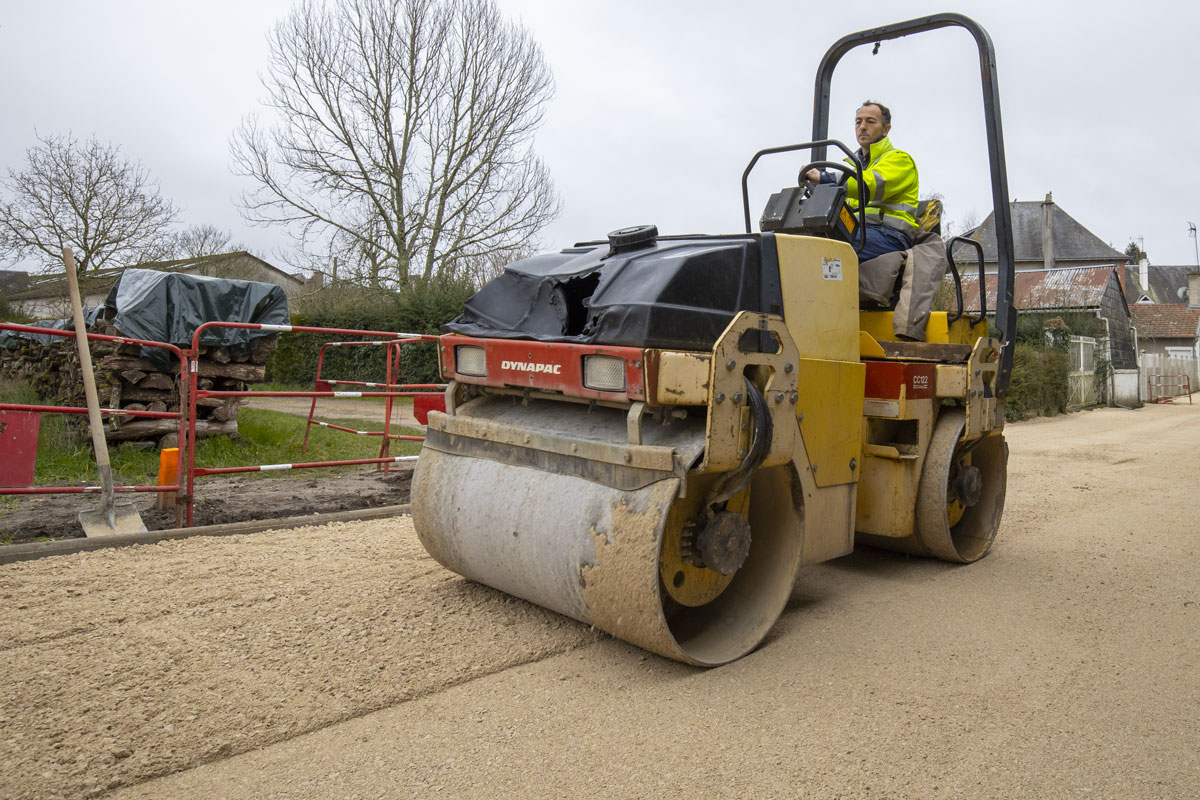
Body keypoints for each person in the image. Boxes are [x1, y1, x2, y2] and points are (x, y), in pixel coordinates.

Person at [805, 100, 918, 261]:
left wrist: (825, 178)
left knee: (826, 245)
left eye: (870, 122)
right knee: (797, 237)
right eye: (858, 122)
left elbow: (870, 184)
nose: (862, 127)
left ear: (886, 129)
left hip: (889, 234)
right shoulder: (854, 167)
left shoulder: (900, 160)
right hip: (859, 231)